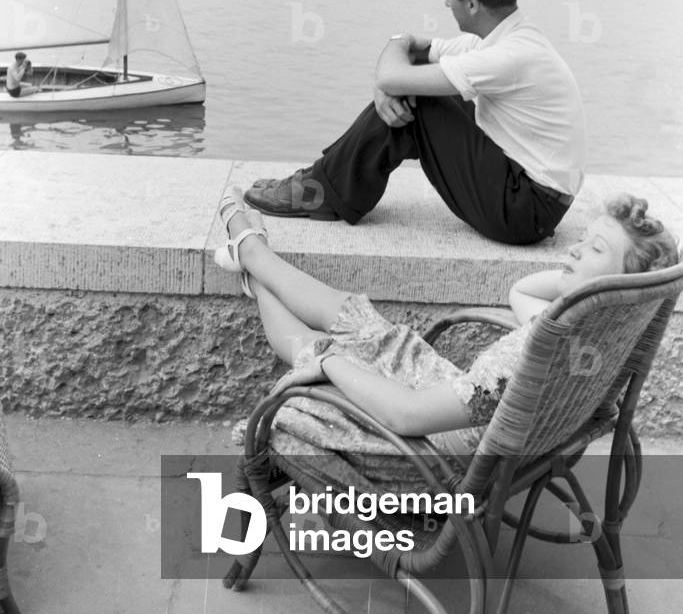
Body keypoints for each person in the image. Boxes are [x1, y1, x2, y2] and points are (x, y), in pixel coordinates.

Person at [216, 188, 678, 488]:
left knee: (312, 347)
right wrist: (578, 282)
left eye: (594, 249)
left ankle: (251, 261)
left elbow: (405, 415)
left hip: (427, 460)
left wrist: (330, 362)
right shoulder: (593, 337)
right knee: (354, 318)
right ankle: (253, 257)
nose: (574, 249)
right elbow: (521, 292)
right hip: (463, 419)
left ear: (622, 284)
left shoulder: (535, 351)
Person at [245, 0, 586, 245]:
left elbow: (396, 70)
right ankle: (321, 185)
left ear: (470, 3)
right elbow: (411, 59)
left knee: (421, 101)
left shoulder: (507, 56)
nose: (444, 2)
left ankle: (319, 190)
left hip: (526, 210)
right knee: (420, 91)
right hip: (532, 195)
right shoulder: (501, 37)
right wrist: (390, 82)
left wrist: (392, 66)